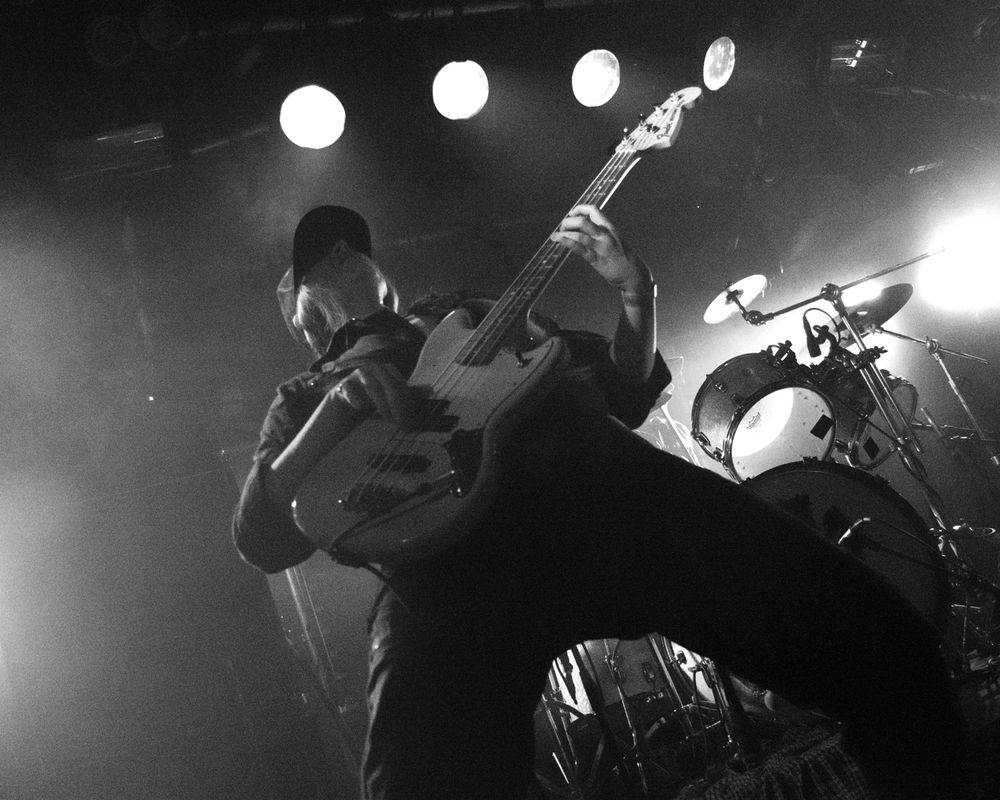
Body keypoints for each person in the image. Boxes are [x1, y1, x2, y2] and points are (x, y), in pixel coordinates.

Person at [233, 204, 967, 800]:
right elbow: (261, 537)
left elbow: (624, 388)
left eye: (352, 249)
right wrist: (337, 409)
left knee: (885, 648)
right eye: (323, 259)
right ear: (302, 308)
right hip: (448, 575)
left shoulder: (467, 315)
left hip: (607, 494)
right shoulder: (306, 393)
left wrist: (635, 294)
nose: (345, 256)